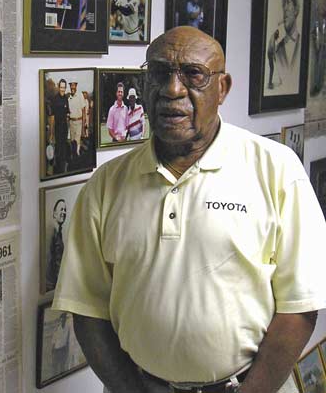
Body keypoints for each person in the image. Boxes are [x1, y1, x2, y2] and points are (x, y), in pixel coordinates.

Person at [52, 26, 326, 393]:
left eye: (193, 74)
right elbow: (86, 308)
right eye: (159, 73)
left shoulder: (276, 169)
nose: (173, 89)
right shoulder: (106, 185)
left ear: (222, 88)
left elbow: (300, 307)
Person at [275, 0, 301, 73]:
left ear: (296, 10)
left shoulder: (304, 44)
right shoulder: (278, 49)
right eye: (283, 5)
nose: (285, 8)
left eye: (288, 3)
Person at [48, 79, 70, 174]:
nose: (62, 89)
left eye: (64, 88)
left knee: (64, 147)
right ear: (58, 87)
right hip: (57, 127)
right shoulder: (54, 99)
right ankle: (56, 169)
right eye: (61, 87)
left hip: (64, 128)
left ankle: (63, 169)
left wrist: (68, 129)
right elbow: (52, 117)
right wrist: (51, 134)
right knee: (58, 148)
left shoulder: (66, 98)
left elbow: (67, 115)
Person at [46, 198, 67, 292]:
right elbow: (52, 260)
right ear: (54, 213)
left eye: (65, 210)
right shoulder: (53, 232)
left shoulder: (59, 232)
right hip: (52, 283)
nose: (63, 212)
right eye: (61, 209)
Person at [68, 81, 85, 157]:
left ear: (76, 86)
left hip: (79, 121)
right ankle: (72, 154)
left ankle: (77, 154)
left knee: (77, 139)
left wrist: (84, 123)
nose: (72, 87)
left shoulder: (80, 96)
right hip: (71, 121)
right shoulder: (69, 98)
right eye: (71, 86)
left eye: (74, 85)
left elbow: (83, 110)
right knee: (72, 140)